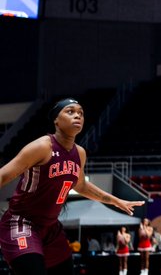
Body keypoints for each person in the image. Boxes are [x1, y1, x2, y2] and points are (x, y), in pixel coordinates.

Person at [0, 98, 144, 275]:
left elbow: (82, 185)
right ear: (56, 120)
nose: (78, 115)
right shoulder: (42, 146)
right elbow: (3, 175)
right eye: (70, 111)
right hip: (23, 223)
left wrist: (115, 201)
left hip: (51, 228)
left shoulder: (80, 153)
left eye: (81, 113)